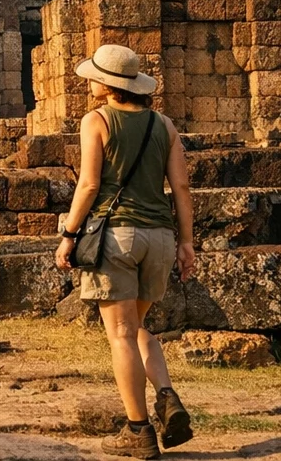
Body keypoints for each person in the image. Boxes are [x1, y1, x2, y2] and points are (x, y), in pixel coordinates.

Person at [54, 44, 197, 459]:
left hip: (116, 236)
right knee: (136, 327)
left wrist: (69, 233)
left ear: (108, 84)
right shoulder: (163, 124)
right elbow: (182, 189)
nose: (89, 82)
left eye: (93, 76)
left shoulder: (96, 120)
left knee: (119, 335)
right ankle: (166, 396)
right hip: (160, 239)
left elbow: (89, 185)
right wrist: (186, 242)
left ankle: (138, 430)